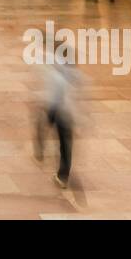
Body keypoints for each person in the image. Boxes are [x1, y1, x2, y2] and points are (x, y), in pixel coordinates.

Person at [33, 51, 78, 189]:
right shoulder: (71, 74)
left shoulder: (55, 72)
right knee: (65, 145)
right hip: (65, 112)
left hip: (55, 109)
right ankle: (63, 176)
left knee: (43, 127)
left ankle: (40, 148)